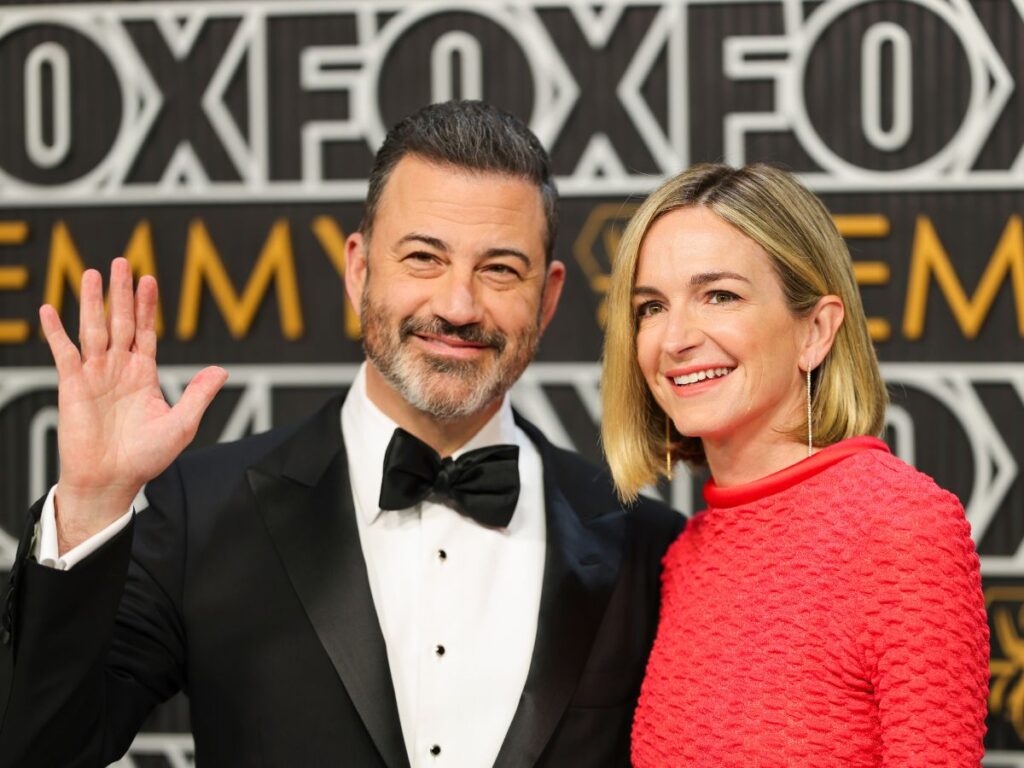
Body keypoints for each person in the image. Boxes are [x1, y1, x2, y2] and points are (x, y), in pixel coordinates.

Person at [0, 101, 682, 768]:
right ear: (358, 267)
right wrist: (92, 504)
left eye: (500, 269)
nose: (457, 305)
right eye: (423, 258)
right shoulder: (205, 512)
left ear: (550, 295)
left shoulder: (637, 542)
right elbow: (43, 746)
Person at [601, 163, 989, 766]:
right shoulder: (687, 554)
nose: (674, 338)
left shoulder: (902, 528)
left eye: (719, 295)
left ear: (815, 330)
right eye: (650, 307)